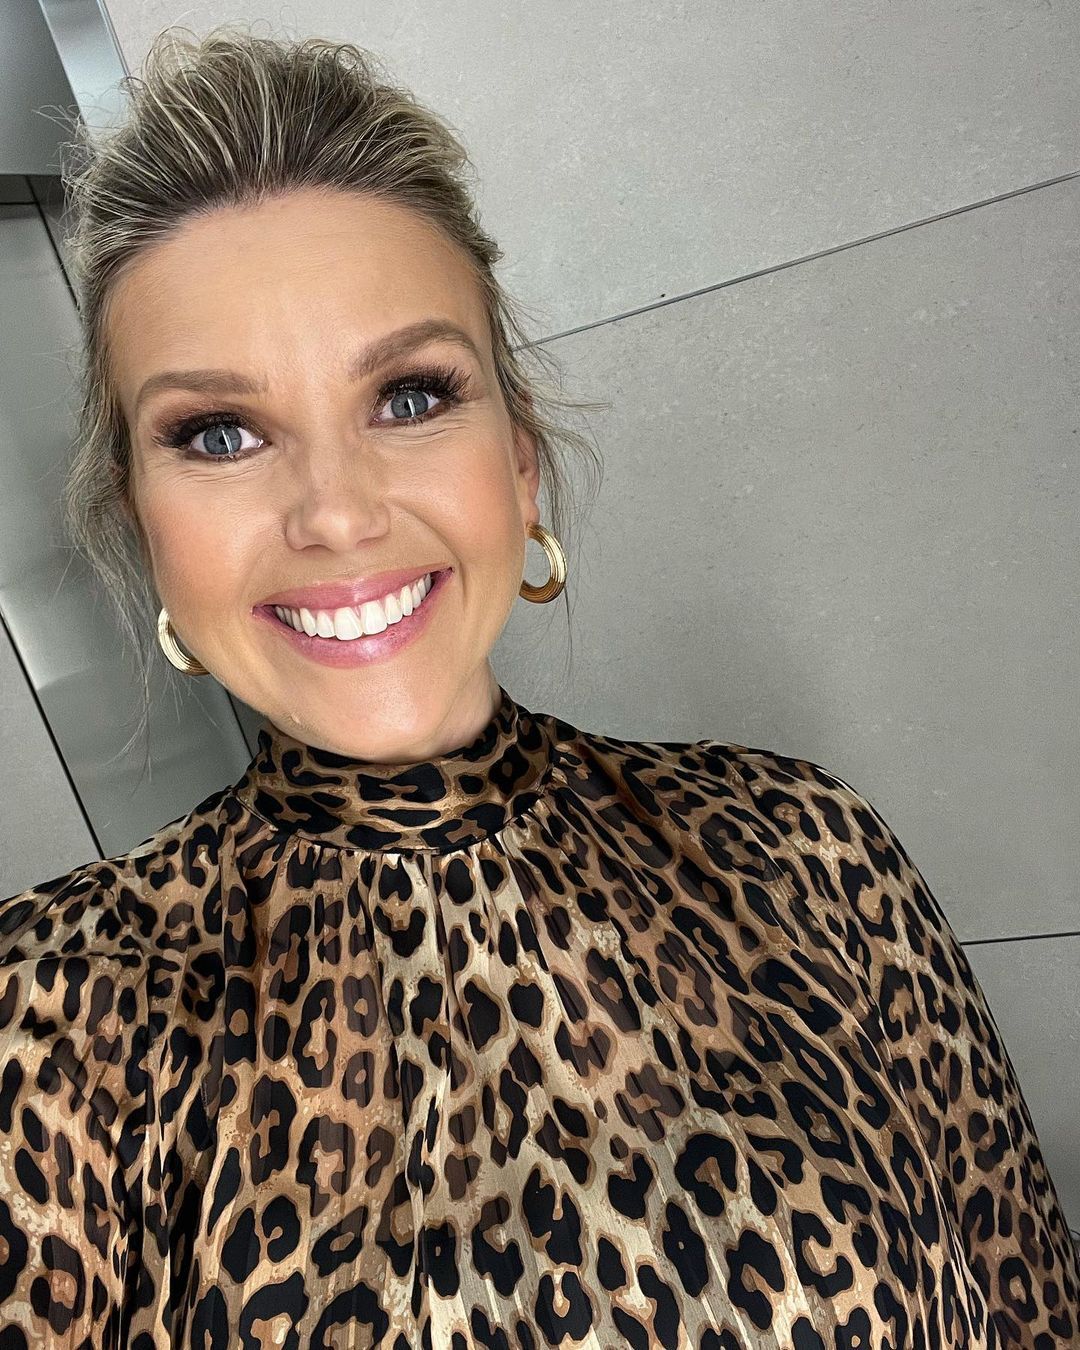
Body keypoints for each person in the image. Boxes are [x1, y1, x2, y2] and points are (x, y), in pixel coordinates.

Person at [1, 26, 1077, 1350]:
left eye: (409, 396)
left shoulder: (806, 848)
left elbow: (1032, 1301)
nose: (336, 511)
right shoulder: (45, 1017)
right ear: (142, 522)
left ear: (518, 462)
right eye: (218, 433)